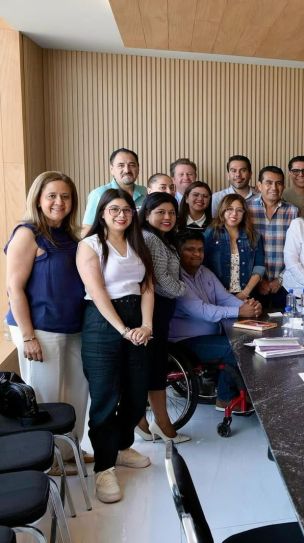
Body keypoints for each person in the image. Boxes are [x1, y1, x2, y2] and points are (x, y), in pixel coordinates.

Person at [5, 171, 90, 471]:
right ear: (38, 199)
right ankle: (47, 459)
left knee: (78, 392)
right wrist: (28, 336)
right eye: (51, 195)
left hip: (74, 326)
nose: (59, 202)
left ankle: (70, 451)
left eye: (65, 196)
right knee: (46, 396)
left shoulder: (72, 235)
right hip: (39, 328)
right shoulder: (27, 233)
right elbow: (14, 288)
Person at [76, 188, 154, 504]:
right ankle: (104, 467)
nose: (121, 215)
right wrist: (123, 330)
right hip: (102, 322)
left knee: (136, 395)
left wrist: (146, 326)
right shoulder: (90, 245)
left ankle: (121, 446)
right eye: (114, 210)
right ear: (102, 213)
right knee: (105, 398)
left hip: (137, 318)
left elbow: (147, 287)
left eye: (126, 210)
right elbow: (97, 292)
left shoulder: (139, 243)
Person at [169, 231, 263, 412]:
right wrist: (239, 311)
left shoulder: (204, 272)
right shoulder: (176, 279)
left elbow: (224, 298)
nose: (197, 254)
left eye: (200, 249)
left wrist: (248, 307)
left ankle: (244, 393)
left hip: (212, 335)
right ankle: (225, 398)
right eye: (190, 249)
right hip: (185, 342)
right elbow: (202, 311)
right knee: (235, 347)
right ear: (178, 252)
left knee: (249, 338)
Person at [135, 192, 190, 444]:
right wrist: (183, 289)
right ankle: (160, 425)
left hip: (159, 310)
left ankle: (148, 422)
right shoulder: (151, 239)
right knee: (154, 368)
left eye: (171, 213)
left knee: (154, 367)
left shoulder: (160, 238)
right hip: (154, 311)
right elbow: (160, 280)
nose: (167, 217)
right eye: (160, 212)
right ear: (147, 214)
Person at [248, 166, 298, 308]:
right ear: (259, 185)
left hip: (285, 284)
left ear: (283, 186)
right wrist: (258, 279)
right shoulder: (246, 209)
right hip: (252, 284)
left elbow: (299, 251)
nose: (274, 188)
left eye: (279, 183)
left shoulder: (293, 211)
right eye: (269, 183)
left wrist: (281, 279)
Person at [204, 194, 265, 300]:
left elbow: (259, 267)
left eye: (239, 210)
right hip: (216, 296)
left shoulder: (254, 236)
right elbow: (203, 266)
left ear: (244, 213)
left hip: (247, 295)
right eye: (229, 209)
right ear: (222, 210)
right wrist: (221, 294)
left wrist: (245, 293)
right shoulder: (211, 233)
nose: (234, 214)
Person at [82, 148, 147, 232]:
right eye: (121, 165)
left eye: (132, 165)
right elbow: (86, 230)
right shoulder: (98, 194)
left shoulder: (145, 192)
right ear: (112, 169)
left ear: (138, 168)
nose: (127, 170)